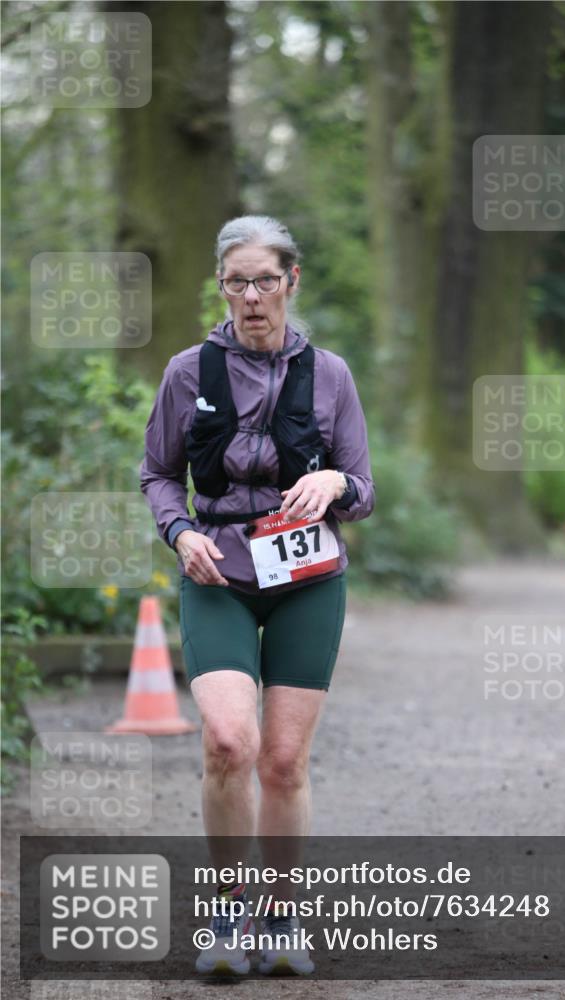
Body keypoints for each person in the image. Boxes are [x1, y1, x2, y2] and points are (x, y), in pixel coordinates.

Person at [140, 215, 374, 975]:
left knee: (281, 761)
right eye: (235, 282)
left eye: (264, 281)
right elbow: (158, 472)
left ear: (290, 281)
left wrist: (334, 481)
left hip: (308, 581)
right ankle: (225, 912)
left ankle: (279, 916)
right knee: (227, 742)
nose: (250, 297)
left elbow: (364, 488)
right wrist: (180, 532)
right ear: (221, 286)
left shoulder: (330, 374)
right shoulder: (188, 372)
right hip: (220, 573)